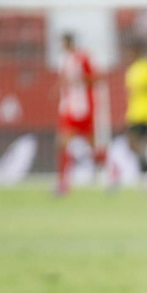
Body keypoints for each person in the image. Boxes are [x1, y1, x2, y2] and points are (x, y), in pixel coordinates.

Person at [55, 32, 99, 196]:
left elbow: (95, 78)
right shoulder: (64, 60)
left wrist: (79, 80)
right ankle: (63, 183)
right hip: (68, 108)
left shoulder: (82, 57)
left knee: (90, 145)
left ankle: (111, 171)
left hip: (82, 107)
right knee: (62, 144)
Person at [122, 41, 147, 185]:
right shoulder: (131, 69)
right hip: (134, 112)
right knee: (134, 145)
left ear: (137, 51)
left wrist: (144, 87)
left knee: (137, 144)